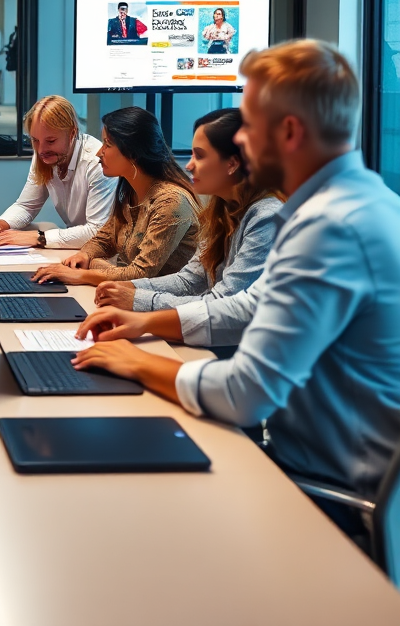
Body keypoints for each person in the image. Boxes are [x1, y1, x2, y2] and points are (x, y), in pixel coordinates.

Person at [71, 40, 400, 507]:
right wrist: (144, 320)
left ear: (287, 131)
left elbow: (245, 393)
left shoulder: (328, 228)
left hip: (327, 489)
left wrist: (136, 361)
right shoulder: (362, 204)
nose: (240, 140)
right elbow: (249, 305)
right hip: (327, 461)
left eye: (249, 125)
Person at [93, 107, 282, 312]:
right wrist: (125, 287)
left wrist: (136, 298)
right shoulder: (221, 210)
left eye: (199, 156)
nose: (189, 165)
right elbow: (190, 280)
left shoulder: (266, 217)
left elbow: (224, 303)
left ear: (232, 164)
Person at [31, 106, 198, 286]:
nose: (99, 152)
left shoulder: (171, 201)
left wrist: (82, 274)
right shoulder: (129, 191)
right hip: (132, 297)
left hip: (167, 306)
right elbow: (105, 239)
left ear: (133, 153)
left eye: (107, 144)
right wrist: (85, 255)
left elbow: (141, 274)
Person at [0, 95, 116, 249]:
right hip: (77, 251)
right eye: (35, 140)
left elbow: (96, 232)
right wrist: (0, 225)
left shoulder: (96, 162)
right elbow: (26, 206)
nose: (41, 150)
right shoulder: (45, 153)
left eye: (51, 141)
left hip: (106, 257)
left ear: (72, 133)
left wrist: (38, 237)